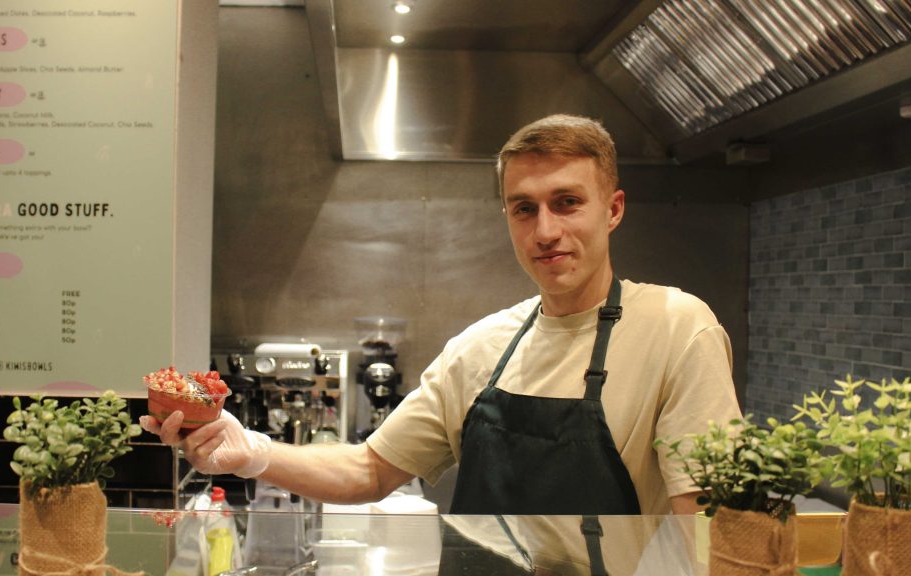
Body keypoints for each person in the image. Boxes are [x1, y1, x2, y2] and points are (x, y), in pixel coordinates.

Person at [141, 114, 741, 517]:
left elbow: (703, 526)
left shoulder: (676, 328)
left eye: (567, 203)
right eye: (523, 209)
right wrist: (251, 452)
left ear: (612, 210)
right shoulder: (481, 347)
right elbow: (370, 470)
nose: (546, 230)